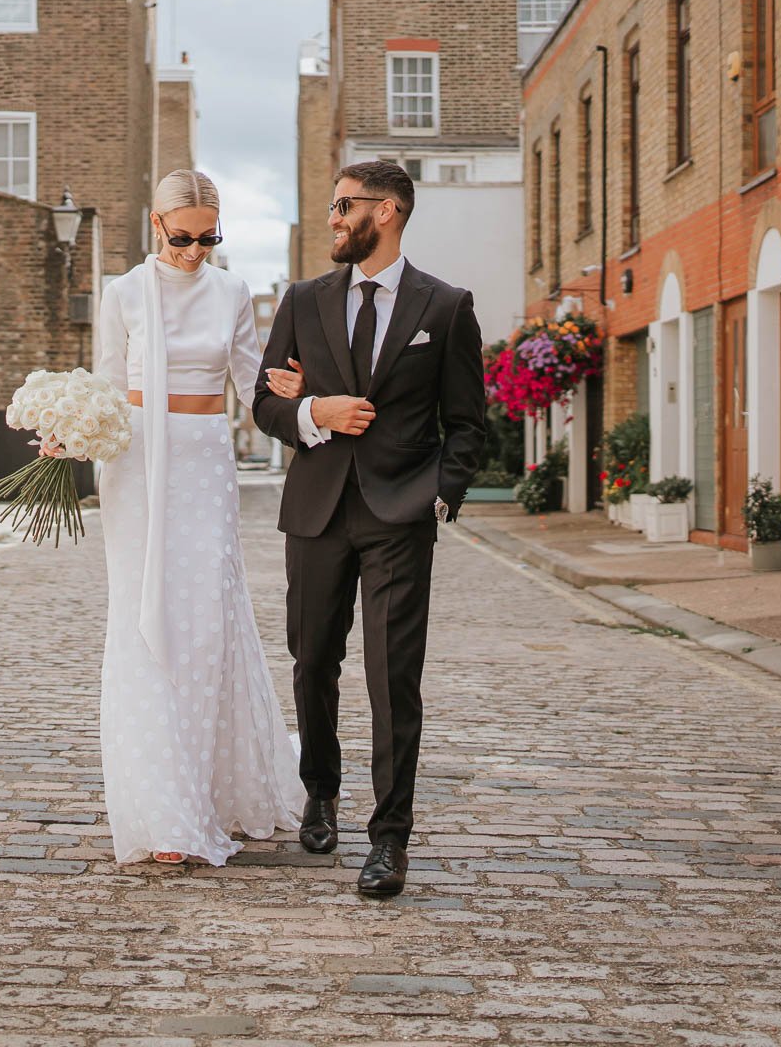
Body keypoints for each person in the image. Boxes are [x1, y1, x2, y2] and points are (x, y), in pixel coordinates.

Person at [252, 160, 487, 897]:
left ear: (385, 212)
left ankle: (390, 840)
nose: (332, 219)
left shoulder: (445, 307)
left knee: (395, 678)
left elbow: (469, 425)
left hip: (400, 516)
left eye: (343, 206)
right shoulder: (302, 300)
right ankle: (319, 793)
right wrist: (314, 413)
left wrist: (439, 496)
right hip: (317, 509)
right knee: (313, 659)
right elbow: (265, 403)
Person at [84, 168, 306, 865]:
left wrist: (306, 403)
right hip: (137, 466)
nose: (194, 251)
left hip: (206, 462)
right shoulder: (122, 294)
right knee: (146, 622)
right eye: (183, 237)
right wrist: (71, 430)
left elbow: (252, 386)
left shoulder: (233, 291)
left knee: (206, 620)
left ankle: (210, 793)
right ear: (156, 226)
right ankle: (164, 810)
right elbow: (106, 387)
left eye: (209, 237)